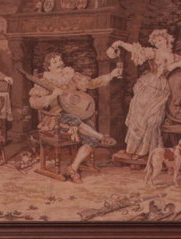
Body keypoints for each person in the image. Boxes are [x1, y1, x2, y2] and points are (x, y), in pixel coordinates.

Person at [28, 51, 120, 183]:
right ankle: (101, 137)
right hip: (56, 118)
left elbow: (92, 83)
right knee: (75, 121)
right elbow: (34, 103)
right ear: (48, 67)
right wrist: (52, 96)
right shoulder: (44, 81)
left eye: (60, 60)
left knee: (91, 138)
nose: (59, 63)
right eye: (55, 62)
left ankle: (73, 167)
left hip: (75, 113)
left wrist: (111, 75)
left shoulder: (70, 76)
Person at [107, 29, 181, 160]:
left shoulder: (175, 57)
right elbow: (136, 50)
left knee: (153, 120)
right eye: (155, 41)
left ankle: (145, 151)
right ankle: (131, 150)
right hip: (148, 86)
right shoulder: (154, 53)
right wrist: (120, 43)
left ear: (167, 40)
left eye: (160, 40)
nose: (158, 43)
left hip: (161, 88)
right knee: (138, 119)